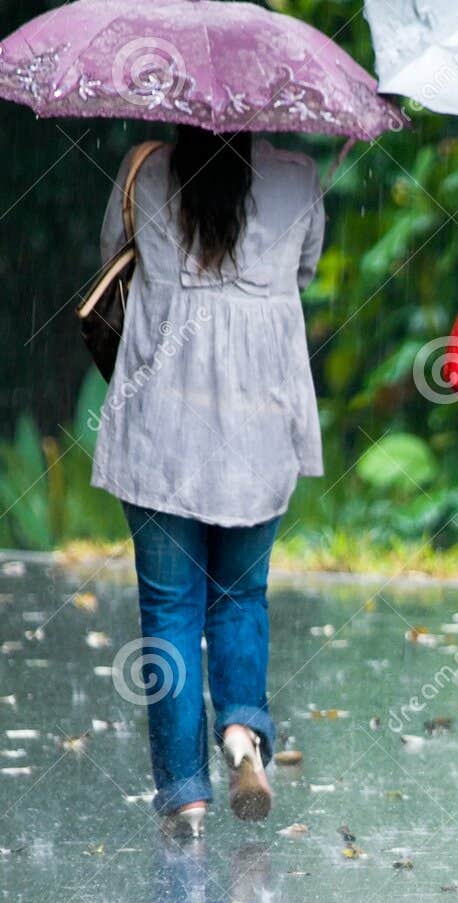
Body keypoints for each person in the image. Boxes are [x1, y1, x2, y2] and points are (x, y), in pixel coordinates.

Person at [92, 127, 326, 839]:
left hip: (161, 427)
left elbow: (111, 263)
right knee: (239, 596)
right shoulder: (299, 178)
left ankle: (185, 797)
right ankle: (242, 737)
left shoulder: (143, 170)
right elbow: (303, 276)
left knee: (168, 615)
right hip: (260, 422)